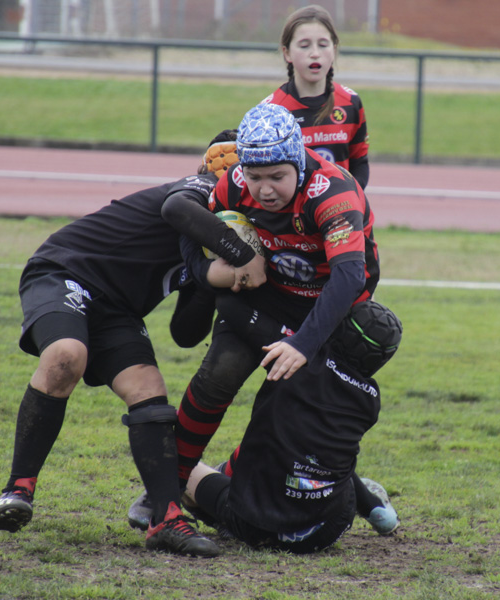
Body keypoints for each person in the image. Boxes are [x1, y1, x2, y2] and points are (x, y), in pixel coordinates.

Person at [0, 130, 264, 558]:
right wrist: (243, 257)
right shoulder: (199, 192)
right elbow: (179, 209)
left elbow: (185, 334)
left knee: (148, 389)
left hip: (116, 309)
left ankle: (166, 518)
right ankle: (18, 488)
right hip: (66, 272)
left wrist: (216, 281)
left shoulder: (222, 238)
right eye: (256, 175)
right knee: (67, 356)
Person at [159, 102, 379, 495]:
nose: (264, 189)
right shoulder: (235, 184)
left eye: (277, 176)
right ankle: (167, 486)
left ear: (299, 163)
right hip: (269, 298)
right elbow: (192, 228)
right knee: (220, 374)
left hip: (329, 307)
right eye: (255, 175)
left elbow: (348, 277)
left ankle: (230, 475)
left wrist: (302, 344)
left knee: (290, 407)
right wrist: (205, 273)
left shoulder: (333, 192)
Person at [182, 300, 403, 553]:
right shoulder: (370, 399)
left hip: (254, 522)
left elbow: (233, 308)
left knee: (183, 465)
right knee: (322, 457)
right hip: (326, 530)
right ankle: (376, 510)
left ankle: (162, 501)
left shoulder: (294, 359)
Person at [265, 4, 371, 189]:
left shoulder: (351, 102)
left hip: (340, 212)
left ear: (334, 50)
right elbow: (264, 176)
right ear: (287, 53)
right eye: (304, 46)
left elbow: (359, 163)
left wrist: (349, 199)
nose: (315, 53)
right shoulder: (272, 111)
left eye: (323, 45)